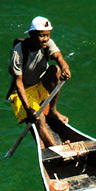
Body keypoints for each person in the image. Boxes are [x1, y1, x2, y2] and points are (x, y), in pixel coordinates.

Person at [8, 16, 71, 146]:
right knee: (39, 119)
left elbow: (58, 56)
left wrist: (65, 68)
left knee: (56, 70)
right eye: (42, 36)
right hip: (22, 92)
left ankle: (53, 111)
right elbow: (18, 82)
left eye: (47, 35)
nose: (46, 39)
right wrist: (28, 109)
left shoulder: (47, 43)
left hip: (39, 84)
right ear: (32, 35)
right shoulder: (18, 52)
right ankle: (58, 150)